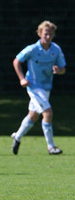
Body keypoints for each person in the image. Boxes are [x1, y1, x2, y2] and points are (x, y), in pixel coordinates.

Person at [11, 21, 66, 155]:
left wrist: (59, 70)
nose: (48, 37)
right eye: (45, 34)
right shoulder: (32, 49)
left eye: (50, 34)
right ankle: (51, 147)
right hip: (33, 86)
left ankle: (17, 137)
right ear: (40, 34)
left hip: (46, 87)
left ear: (53, 35)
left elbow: (63, 69)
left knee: (33, 116)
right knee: (48, 113)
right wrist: (22, 79)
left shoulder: (56, 49)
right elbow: (16, 61)